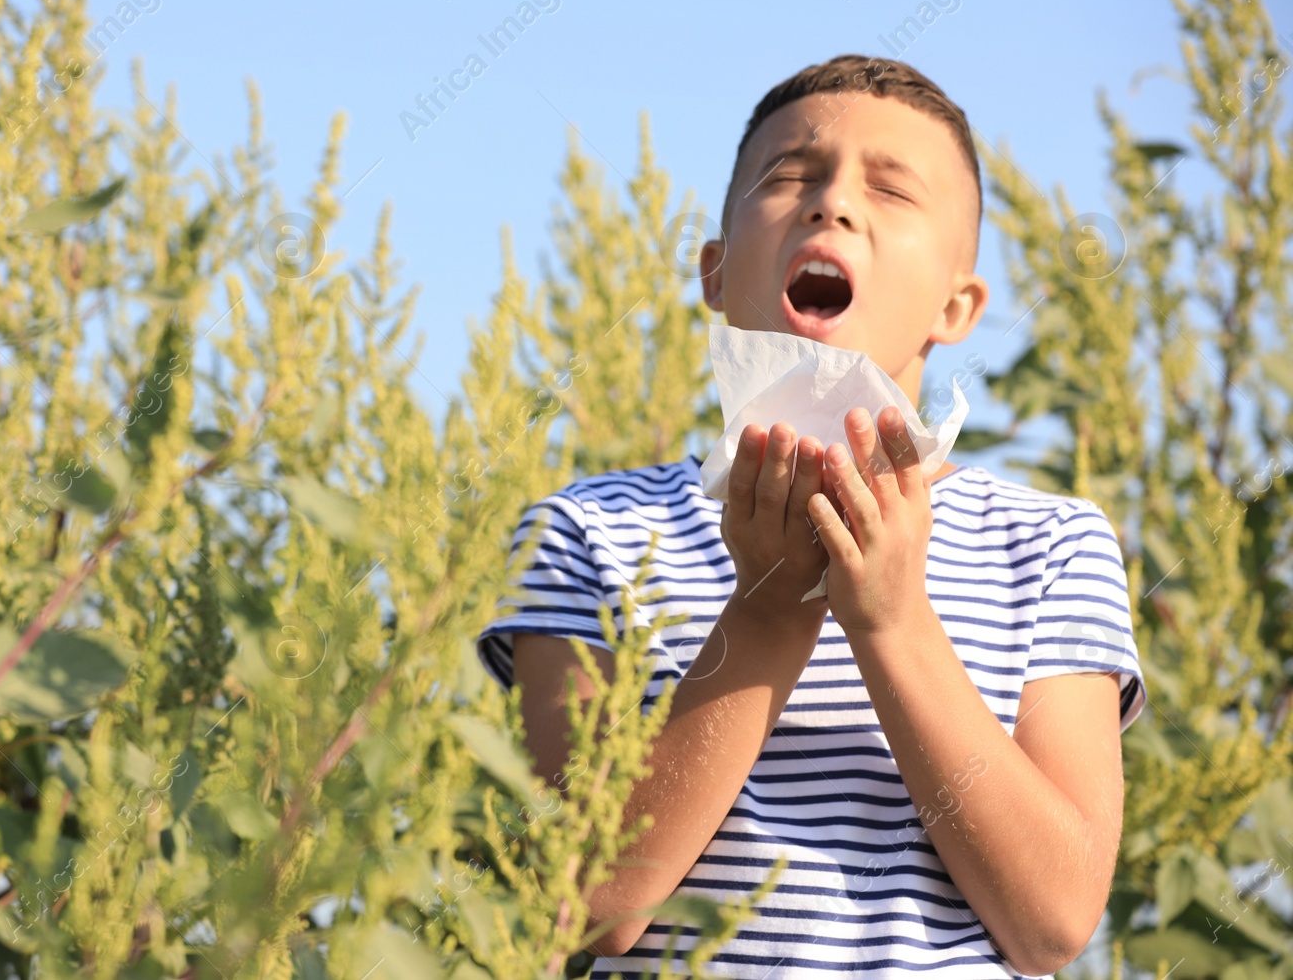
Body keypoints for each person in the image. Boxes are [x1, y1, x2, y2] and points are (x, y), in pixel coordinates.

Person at [475, 54, 1148, 979]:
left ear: (958, 304)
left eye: (892, 188)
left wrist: (892, 617)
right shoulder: (586, 532)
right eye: (790, 175)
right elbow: (585, 906)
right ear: (714, 273)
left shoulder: (1048, 545)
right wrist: (770, 606)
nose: (831, 203)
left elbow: (1053, 921)